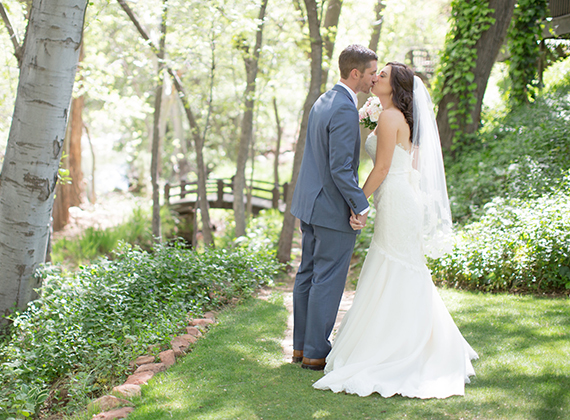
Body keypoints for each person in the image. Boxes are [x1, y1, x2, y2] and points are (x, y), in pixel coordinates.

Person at [313, 62, 478, 398]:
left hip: (398, 201)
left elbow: (385, 167)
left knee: (399, 267)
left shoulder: (390, 118)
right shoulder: (391, 115)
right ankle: (409, 341)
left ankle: (399, 347)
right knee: (400, 267)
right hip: (401, 198)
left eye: (383, 76)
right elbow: (407, 161)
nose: (376, 78)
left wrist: (357, 202)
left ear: (396, 87)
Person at [290, 44, 378, 371]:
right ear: (355, 73)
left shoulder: (324, 100)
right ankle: (316, 351)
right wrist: (360, 205)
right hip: (330, 210)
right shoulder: (343, 108)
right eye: (371, 73)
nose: (373, 79)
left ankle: (301, 349)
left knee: (308, 276)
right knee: (326, 279)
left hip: (309, 205)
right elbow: (341, 168)